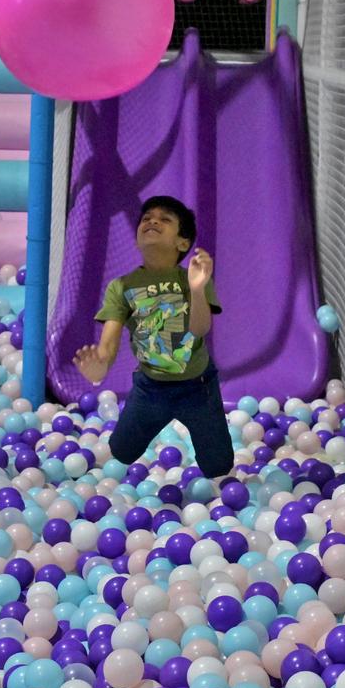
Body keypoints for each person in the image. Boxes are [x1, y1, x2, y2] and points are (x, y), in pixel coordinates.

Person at [73, 195, 234, 480]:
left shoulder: (193, 278)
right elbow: (108, 343)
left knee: (219, 467)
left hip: (198, 388)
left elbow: (199, 329)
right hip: (151, 389)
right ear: (136, 240)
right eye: (146, 218)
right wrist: (100, 368)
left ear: (182, 243)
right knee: (120, 453)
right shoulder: (122, 286)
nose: (152, 221)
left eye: (165, 219)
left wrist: (197, 290)